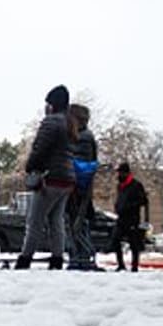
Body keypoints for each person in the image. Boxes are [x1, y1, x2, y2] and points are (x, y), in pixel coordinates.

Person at [15, 86, 77, 270]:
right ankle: (57, 259)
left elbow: (39, 149)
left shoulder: (51, 122)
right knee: (57, 221)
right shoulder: (70, 123)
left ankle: (25, 259)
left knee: (35, 221)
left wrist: (30, 167)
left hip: (49, 178)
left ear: (52, 104)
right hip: (67, 179)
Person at [65, 103, 100, 270]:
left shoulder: (82, 138)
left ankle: (82, 258)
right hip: (81, 189)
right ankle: (80, 257)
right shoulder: (85, 136)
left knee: (77, 225)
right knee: (77, 224)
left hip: (77, 189)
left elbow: (79, 164)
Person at [111, 162, 148, 271]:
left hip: (132, 218)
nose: (119, 175)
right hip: (121, 218)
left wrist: (130, 206)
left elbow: (143, 201)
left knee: (134, 243)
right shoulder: (120, 186)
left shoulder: (136, 185)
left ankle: (134, 266)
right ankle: (121, 265)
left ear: (126, 173)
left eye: (121, 173)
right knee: (115, 240)